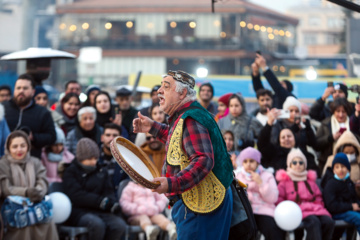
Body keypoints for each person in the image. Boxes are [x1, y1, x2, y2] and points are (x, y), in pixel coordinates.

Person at [133, 70, 234, 239]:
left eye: (166, 86)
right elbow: (180, 139)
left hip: (199, 207)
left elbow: (203, 160)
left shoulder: (191, 118)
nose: (159, 90)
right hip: (200, 204)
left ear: (182, 93)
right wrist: (152, 127)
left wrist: (172, 184)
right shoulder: (190, 115)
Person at [62, 138, 126, 240]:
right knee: (97, 225)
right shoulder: (71, 171)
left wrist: (112, 203)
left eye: (95, 158)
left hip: (101, 211)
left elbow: (108, 190)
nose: (93, 162)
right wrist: (99, 202)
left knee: (119, 225)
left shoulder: (101, 170)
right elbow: (76, 195)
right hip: (79, 212)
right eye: (90, 159)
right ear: (81, 158)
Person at [0, 130, 59, 240]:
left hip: (35, 205)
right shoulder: (3, 164)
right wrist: (26, 192)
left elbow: (42, 181)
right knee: (25, 226)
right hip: (13, 210)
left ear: (28, 146)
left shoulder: (35, 162)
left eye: (23, 145)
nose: (19, 150)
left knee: (48, 223)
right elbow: (6, 188)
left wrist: (37, 192)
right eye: (15, 146)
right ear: (8, 148)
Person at [276, 148, 334, 240]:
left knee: (329, 222)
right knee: (314, 222)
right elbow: (280, 199)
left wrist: (318, 205)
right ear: (290, 165)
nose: (298, 165)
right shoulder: (285, 182)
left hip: (316, 209)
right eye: (294, 163)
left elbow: (318, 197)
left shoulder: (310, 181)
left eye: (301, 162)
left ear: (305, 165)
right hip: (297, 211)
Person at [236, 147, 285, 240]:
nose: (248, 164)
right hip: (246, 211)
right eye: (245, 161)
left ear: (257, 162)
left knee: (272, 229)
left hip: (264, 211)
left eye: (251, 161)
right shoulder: (238, 176)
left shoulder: (267, 175)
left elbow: (273, 198)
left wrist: (260, 183)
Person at [3, 74, 56, 158]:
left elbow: (51, 137)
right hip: (5, 161)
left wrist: (33, 137)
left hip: (32, 161)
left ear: (33, 92)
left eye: (25, 88)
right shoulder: (3, 108)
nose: (21, 91)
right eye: (18, 88)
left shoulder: (42, 112)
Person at [258, 108, 318, 172]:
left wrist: (308, 128)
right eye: (283, 137)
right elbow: (262, 144)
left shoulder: (303, 154)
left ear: (295, 139)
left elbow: (315, 173)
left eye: (289, 136)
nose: (286, 139)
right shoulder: (274, 153)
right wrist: (269, 123)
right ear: (279, 141)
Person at [323, 153, 360, 235]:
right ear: (333, 170)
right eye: (337, 167)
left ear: (348, 169)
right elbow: (331, 206)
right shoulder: (331, 184)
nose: (340, 170)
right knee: (358, 218)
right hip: (337, 213)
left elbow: (354, 198)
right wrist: (351, 206)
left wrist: (357, 205)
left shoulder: (348, 182)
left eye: (343, 167)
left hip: (348, 210)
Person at [315, 97, 353, 172]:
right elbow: (316, 144)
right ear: (333, 111)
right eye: (338, 111)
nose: (341, 115)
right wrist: (331, 138)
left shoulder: (353, 124)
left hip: (350, 163)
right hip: (328, 163)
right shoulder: (325, 123)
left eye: (343, 112)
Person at [322, 131, 360, 197]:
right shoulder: (331, 160)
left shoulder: (358, 161)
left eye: (352, 153)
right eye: (346, 152)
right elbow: (326, 179)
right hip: (338, 196)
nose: (349, 155)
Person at [98, 123, 128, 194]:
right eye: (108, 135)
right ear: (102, 138)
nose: (111, 138)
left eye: (115, 135)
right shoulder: (94, 156)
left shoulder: (127, 159)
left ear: (120, 138)